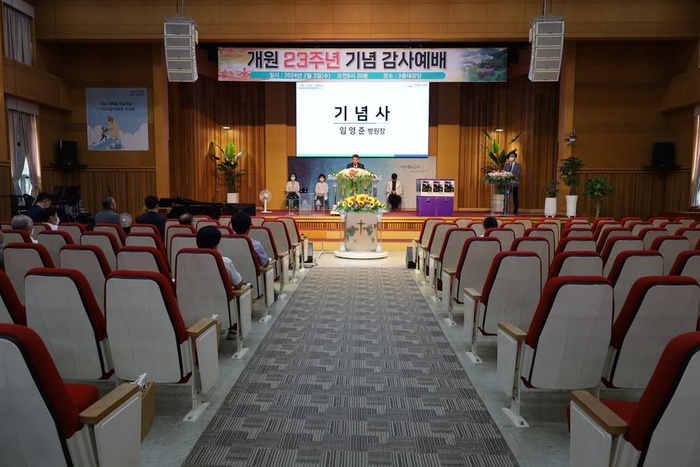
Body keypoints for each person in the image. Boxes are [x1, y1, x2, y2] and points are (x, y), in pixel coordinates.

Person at [196, 226, 244, 340]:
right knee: (242, 291)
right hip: (221, 304)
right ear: (217, 244)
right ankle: (233, 326)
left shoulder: (185, 261)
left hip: (196, 302)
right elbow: (238, 283)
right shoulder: (225, 262)